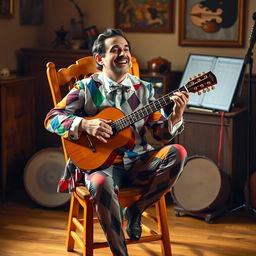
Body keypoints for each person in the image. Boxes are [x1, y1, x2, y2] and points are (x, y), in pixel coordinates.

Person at [44, 28, 189, 256]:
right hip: (101, 166)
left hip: (139, 162)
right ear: (100, 59)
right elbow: (51, 119)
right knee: (101, 183)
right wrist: (84, 125)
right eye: (115, 50)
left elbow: (160, 134)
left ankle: (136, 210)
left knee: (178, 152)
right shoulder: (86, 87)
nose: (123, 54)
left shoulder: (144, 89)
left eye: (126, 49)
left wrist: (175, 117)